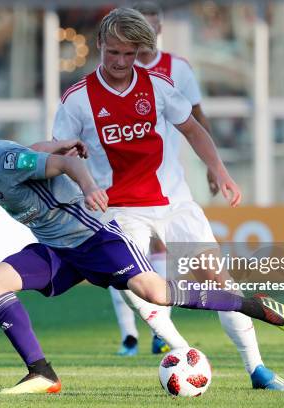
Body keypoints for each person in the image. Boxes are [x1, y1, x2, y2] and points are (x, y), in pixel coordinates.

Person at [0, 115, 284, 394]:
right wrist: (57, 144)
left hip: (95, 239)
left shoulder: (2, 161)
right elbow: (36, 152)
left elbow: (64, 164)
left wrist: (88, 186)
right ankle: (42, 374)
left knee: (155, 293)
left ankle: (249, 305)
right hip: (58, 250)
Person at [51, 7, 284, 391]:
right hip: (118, 211)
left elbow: (194, 130)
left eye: (129, 54)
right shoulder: (77, 100)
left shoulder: (159, 86)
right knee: (134, 286)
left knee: (219, 283)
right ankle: (184, 352)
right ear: (99, 45)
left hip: (174, 203)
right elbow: (60, 154)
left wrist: (219, 170)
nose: (120, 62)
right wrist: (82, 189)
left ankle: (257, 369)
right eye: (113, 52)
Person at [104, 1, 222, 357]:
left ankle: (158, 330)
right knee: (123, 261)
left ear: (159, 28)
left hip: (167, 181)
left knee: (163, 253)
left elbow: (196, 117)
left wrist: (212, 166)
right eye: (143, 24)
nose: (149, 31)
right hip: (118, 185)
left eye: (153, 25)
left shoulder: (177, 70)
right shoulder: (112, 71)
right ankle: (129, 333)